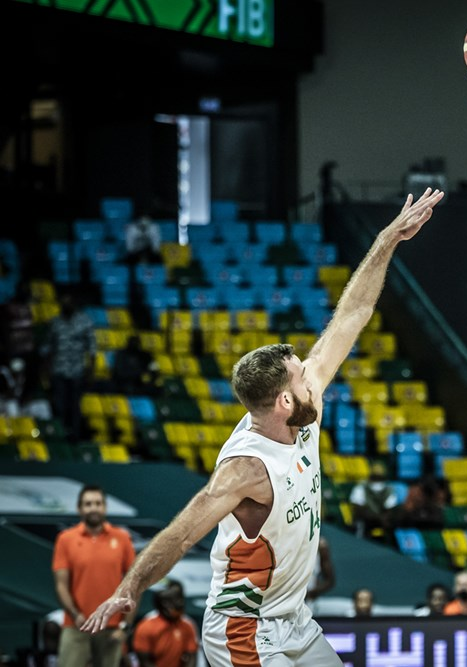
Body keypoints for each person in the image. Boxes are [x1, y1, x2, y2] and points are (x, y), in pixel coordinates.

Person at [81, 188, 444, 667]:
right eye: (302, 377)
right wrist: (130, 587)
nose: (315, 378)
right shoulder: (245, 468)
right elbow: (181, 535)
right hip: (243, 627)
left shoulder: (301, 407)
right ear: (284, 401)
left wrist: (387, 240)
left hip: (293, 619)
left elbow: (353, 314)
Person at [52, 484, 137, 667]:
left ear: (105, 507)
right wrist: (76, 615)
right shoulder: (66, 539)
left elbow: (134, 584)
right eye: (88, 504)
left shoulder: (122, 538)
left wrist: (124, 626)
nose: (94, 508)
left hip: (111, 627)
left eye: (98, 503)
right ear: (80, 508)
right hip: (76, 625)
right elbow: (61, 585)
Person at [41, 292, 95, 443]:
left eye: (69, 301)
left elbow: (92, 350)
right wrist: (46, 372)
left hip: (77, 371)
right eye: (64, 302)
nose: (66, 304)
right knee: (59, 405)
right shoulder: (55, 323)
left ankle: (74, 437)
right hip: (58, 370)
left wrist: (91, 372)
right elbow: (47, 349)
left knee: (74, 406)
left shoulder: (85, 322)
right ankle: (60, 435)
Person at [132, 586, 198, 667]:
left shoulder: (187, 625)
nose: (180, 604)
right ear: (164, 606)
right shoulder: (146, 627)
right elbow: (145, 661)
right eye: (176, 602)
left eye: (181, 601)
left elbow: (192, 657)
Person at [348, 459, 400, 541]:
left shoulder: (389, 489)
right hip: (365, 520)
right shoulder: (361, 488)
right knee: (360, 523)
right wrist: (377, 517)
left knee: (391, 523)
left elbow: (391, 509)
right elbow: (358, 509)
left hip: (382, 521)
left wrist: (383, 518)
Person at [305, 535, 336, 617]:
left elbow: (329, 581)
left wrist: (311, 592)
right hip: (285, 599)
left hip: (307, 602)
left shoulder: (320, 546)